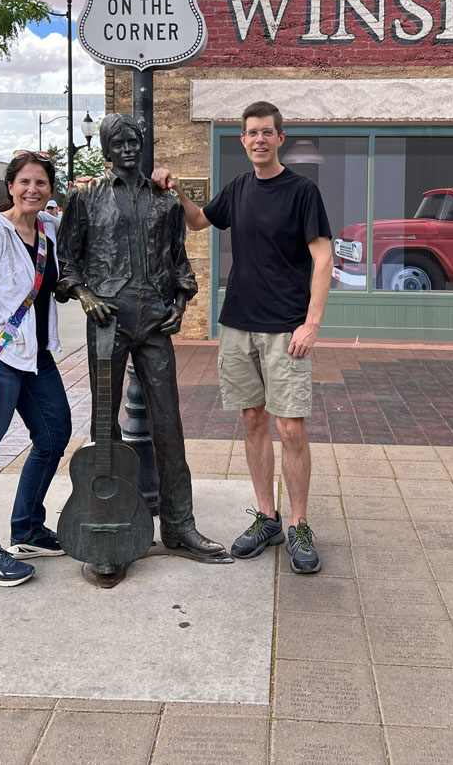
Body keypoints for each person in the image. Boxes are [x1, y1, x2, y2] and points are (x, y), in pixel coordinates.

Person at [152, 101, 332, 574]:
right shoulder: (238, 188)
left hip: (286, 328)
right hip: (238, 324)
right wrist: (175, 192)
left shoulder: (302, 191)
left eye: (266, 132)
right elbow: (198, 222)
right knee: (253, 420)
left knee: (290, 426)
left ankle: (299, 524)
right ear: (243, 140)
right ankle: (267, 518)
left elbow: (323, 258)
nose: (258, 139)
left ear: (280, 138)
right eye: (251, 133)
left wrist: (311, 323)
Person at [56, 112, 228, 561]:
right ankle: (105, 531)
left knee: (168, 424)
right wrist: (84, 295)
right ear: (107, 150)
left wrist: (182, 301)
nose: (129, 149)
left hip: (153, 321)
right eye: (120, 143)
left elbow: (178, 260)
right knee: (103, 426)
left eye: (135, 141)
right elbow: (66, 262)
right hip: (108, 320)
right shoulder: (85, 197)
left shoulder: (164, 202)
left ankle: (179, 525)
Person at [0, 151, 72, 586]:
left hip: (35, 357)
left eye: (40, 183)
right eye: (24, 182)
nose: (32, 190)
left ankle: (26, 528)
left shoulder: (47, 229)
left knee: (54, 434)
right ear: (10, 186)